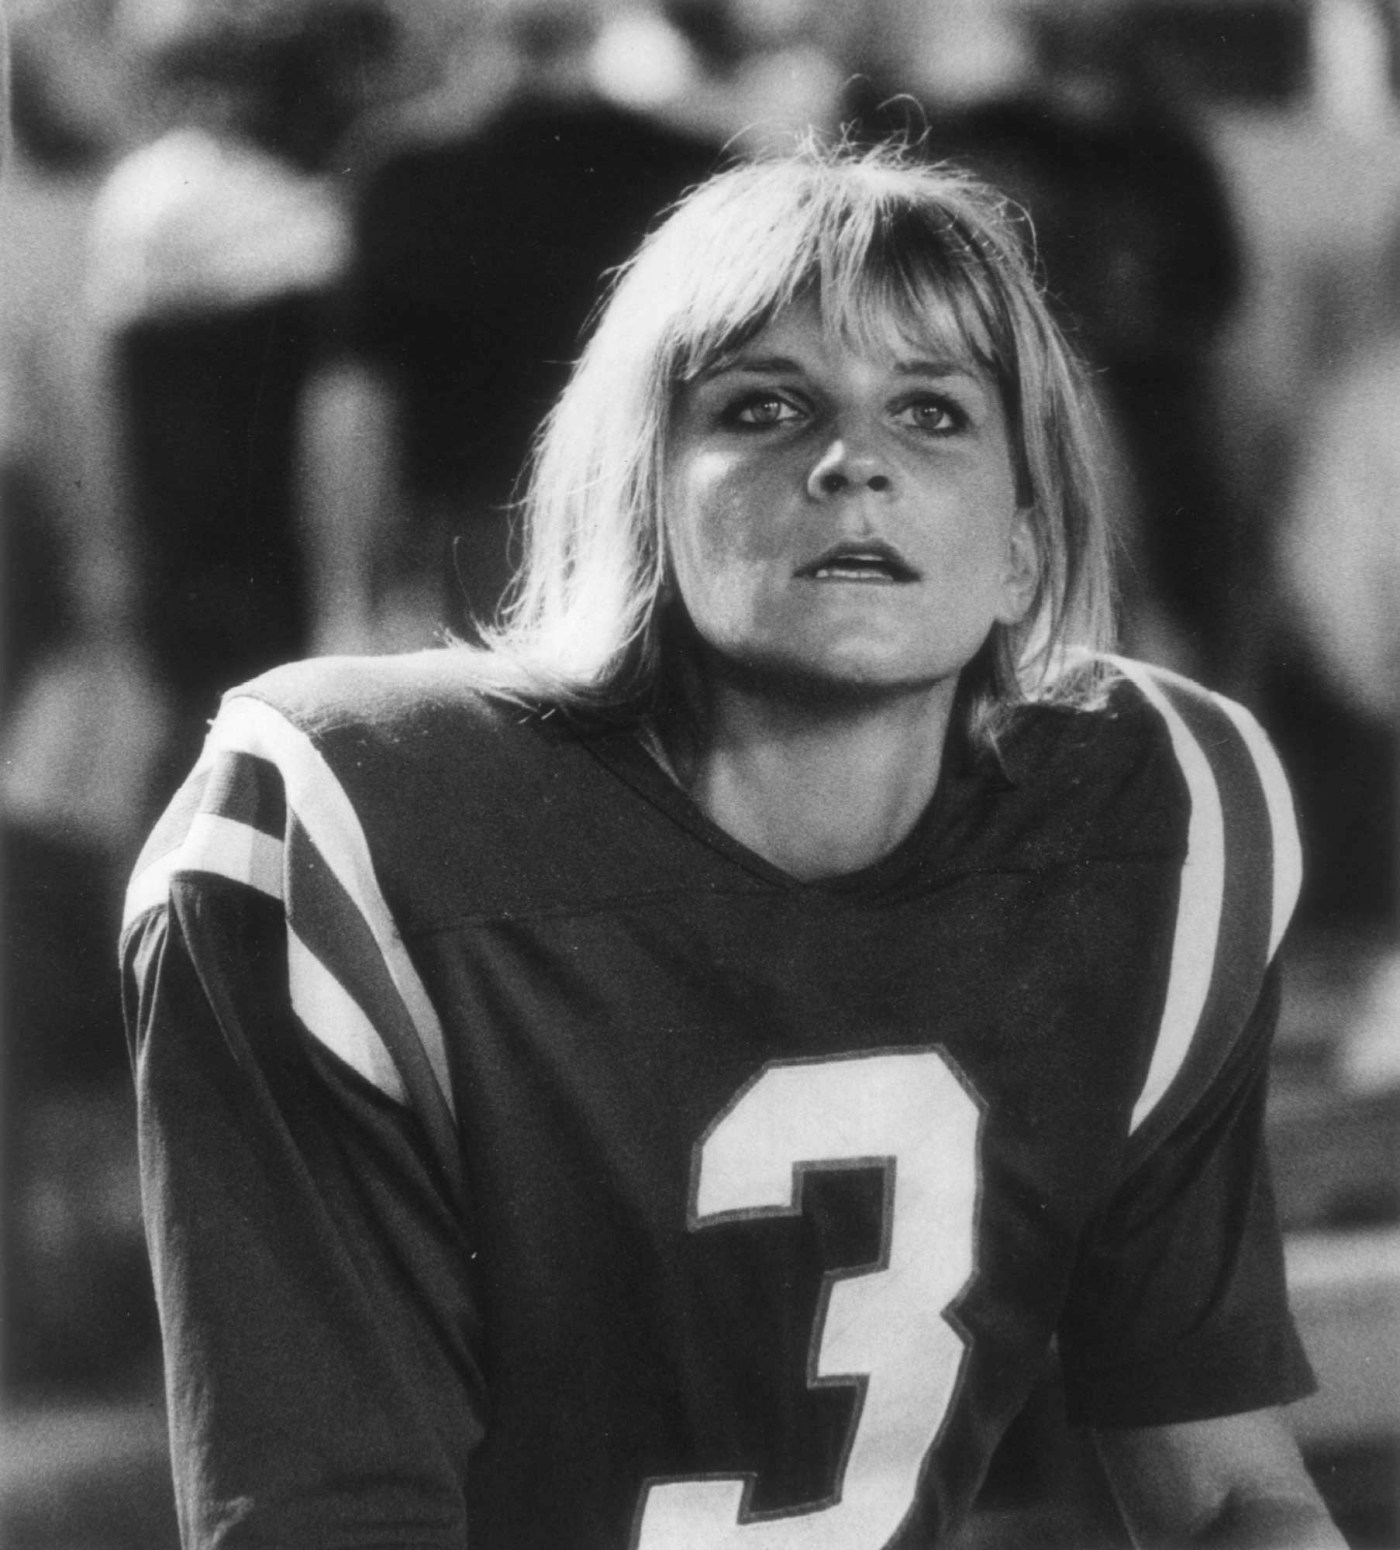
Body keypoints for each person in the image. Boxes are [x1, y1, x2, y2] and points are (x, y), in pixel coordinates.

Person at [120, 143, 1343, 1549]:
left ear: (1023, 542)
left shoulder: (1153, 809)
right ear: (640, 496)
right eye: (764, 406)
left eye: (933, 411)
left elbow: (1230, 1493)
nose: (854, 462)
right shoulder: (353, 824)